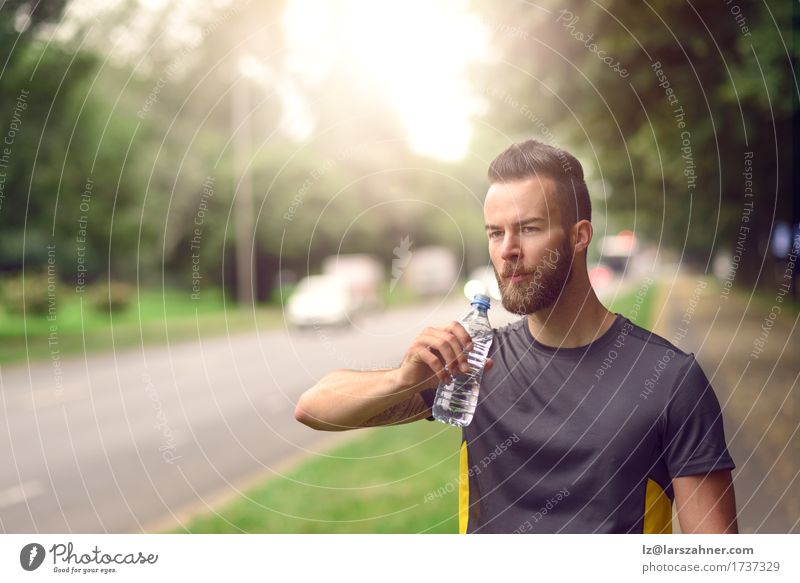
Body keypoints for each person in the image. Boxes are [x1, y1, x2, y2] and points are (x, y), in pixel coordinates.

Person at [294, 139, 738, 534]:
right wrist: (402, 379)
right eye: (495, 232)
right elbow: (314, 409)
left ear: (579, 236)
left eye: (528, 228)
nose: (507, 249)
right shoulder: (472, 365)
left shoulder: (671, 381)